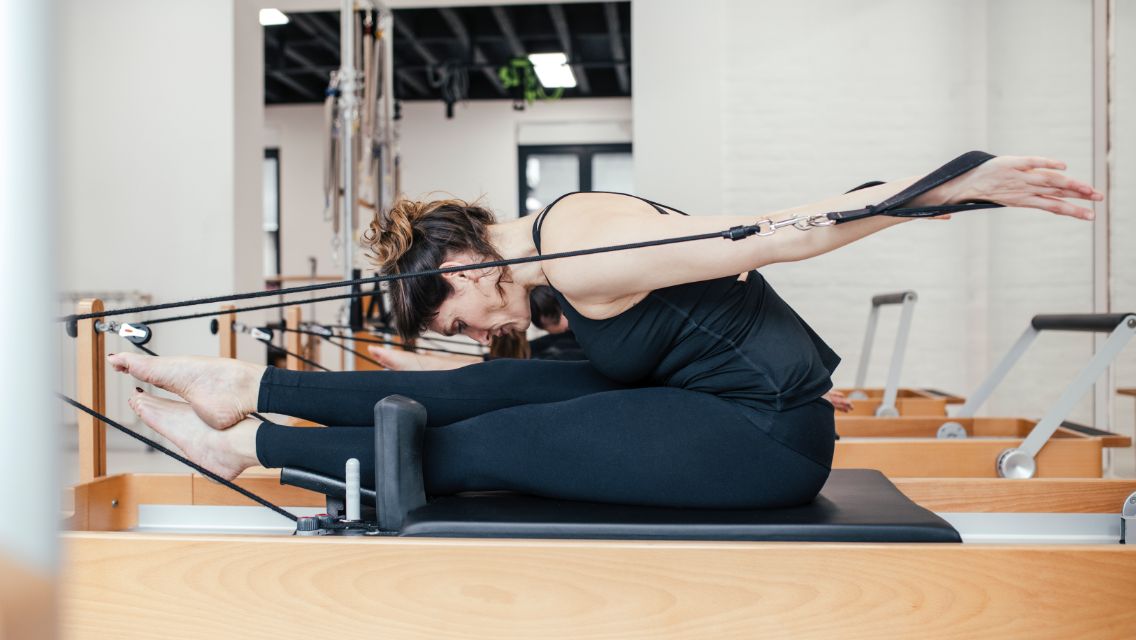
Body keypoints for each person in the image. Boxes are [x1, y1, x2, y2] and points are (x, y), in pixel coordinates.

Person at [109, 154, 1100, 509]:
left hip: (759, 441)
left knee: (484, 438)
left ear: (462, 269)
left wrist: (954, 185)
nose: (463, 328)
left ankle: (247, 445)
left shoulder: (585, 256)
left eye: (449, 312)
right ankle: (246, 394)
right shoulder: (551, 249)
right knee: (490, 390)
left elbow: (785, 234)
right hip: (715, 405)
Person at [366, 285, 584, 371]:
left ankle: (433, 365)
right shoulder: (558, 341)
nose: (565, 323)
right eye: (554, 319)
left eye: (558, 316)